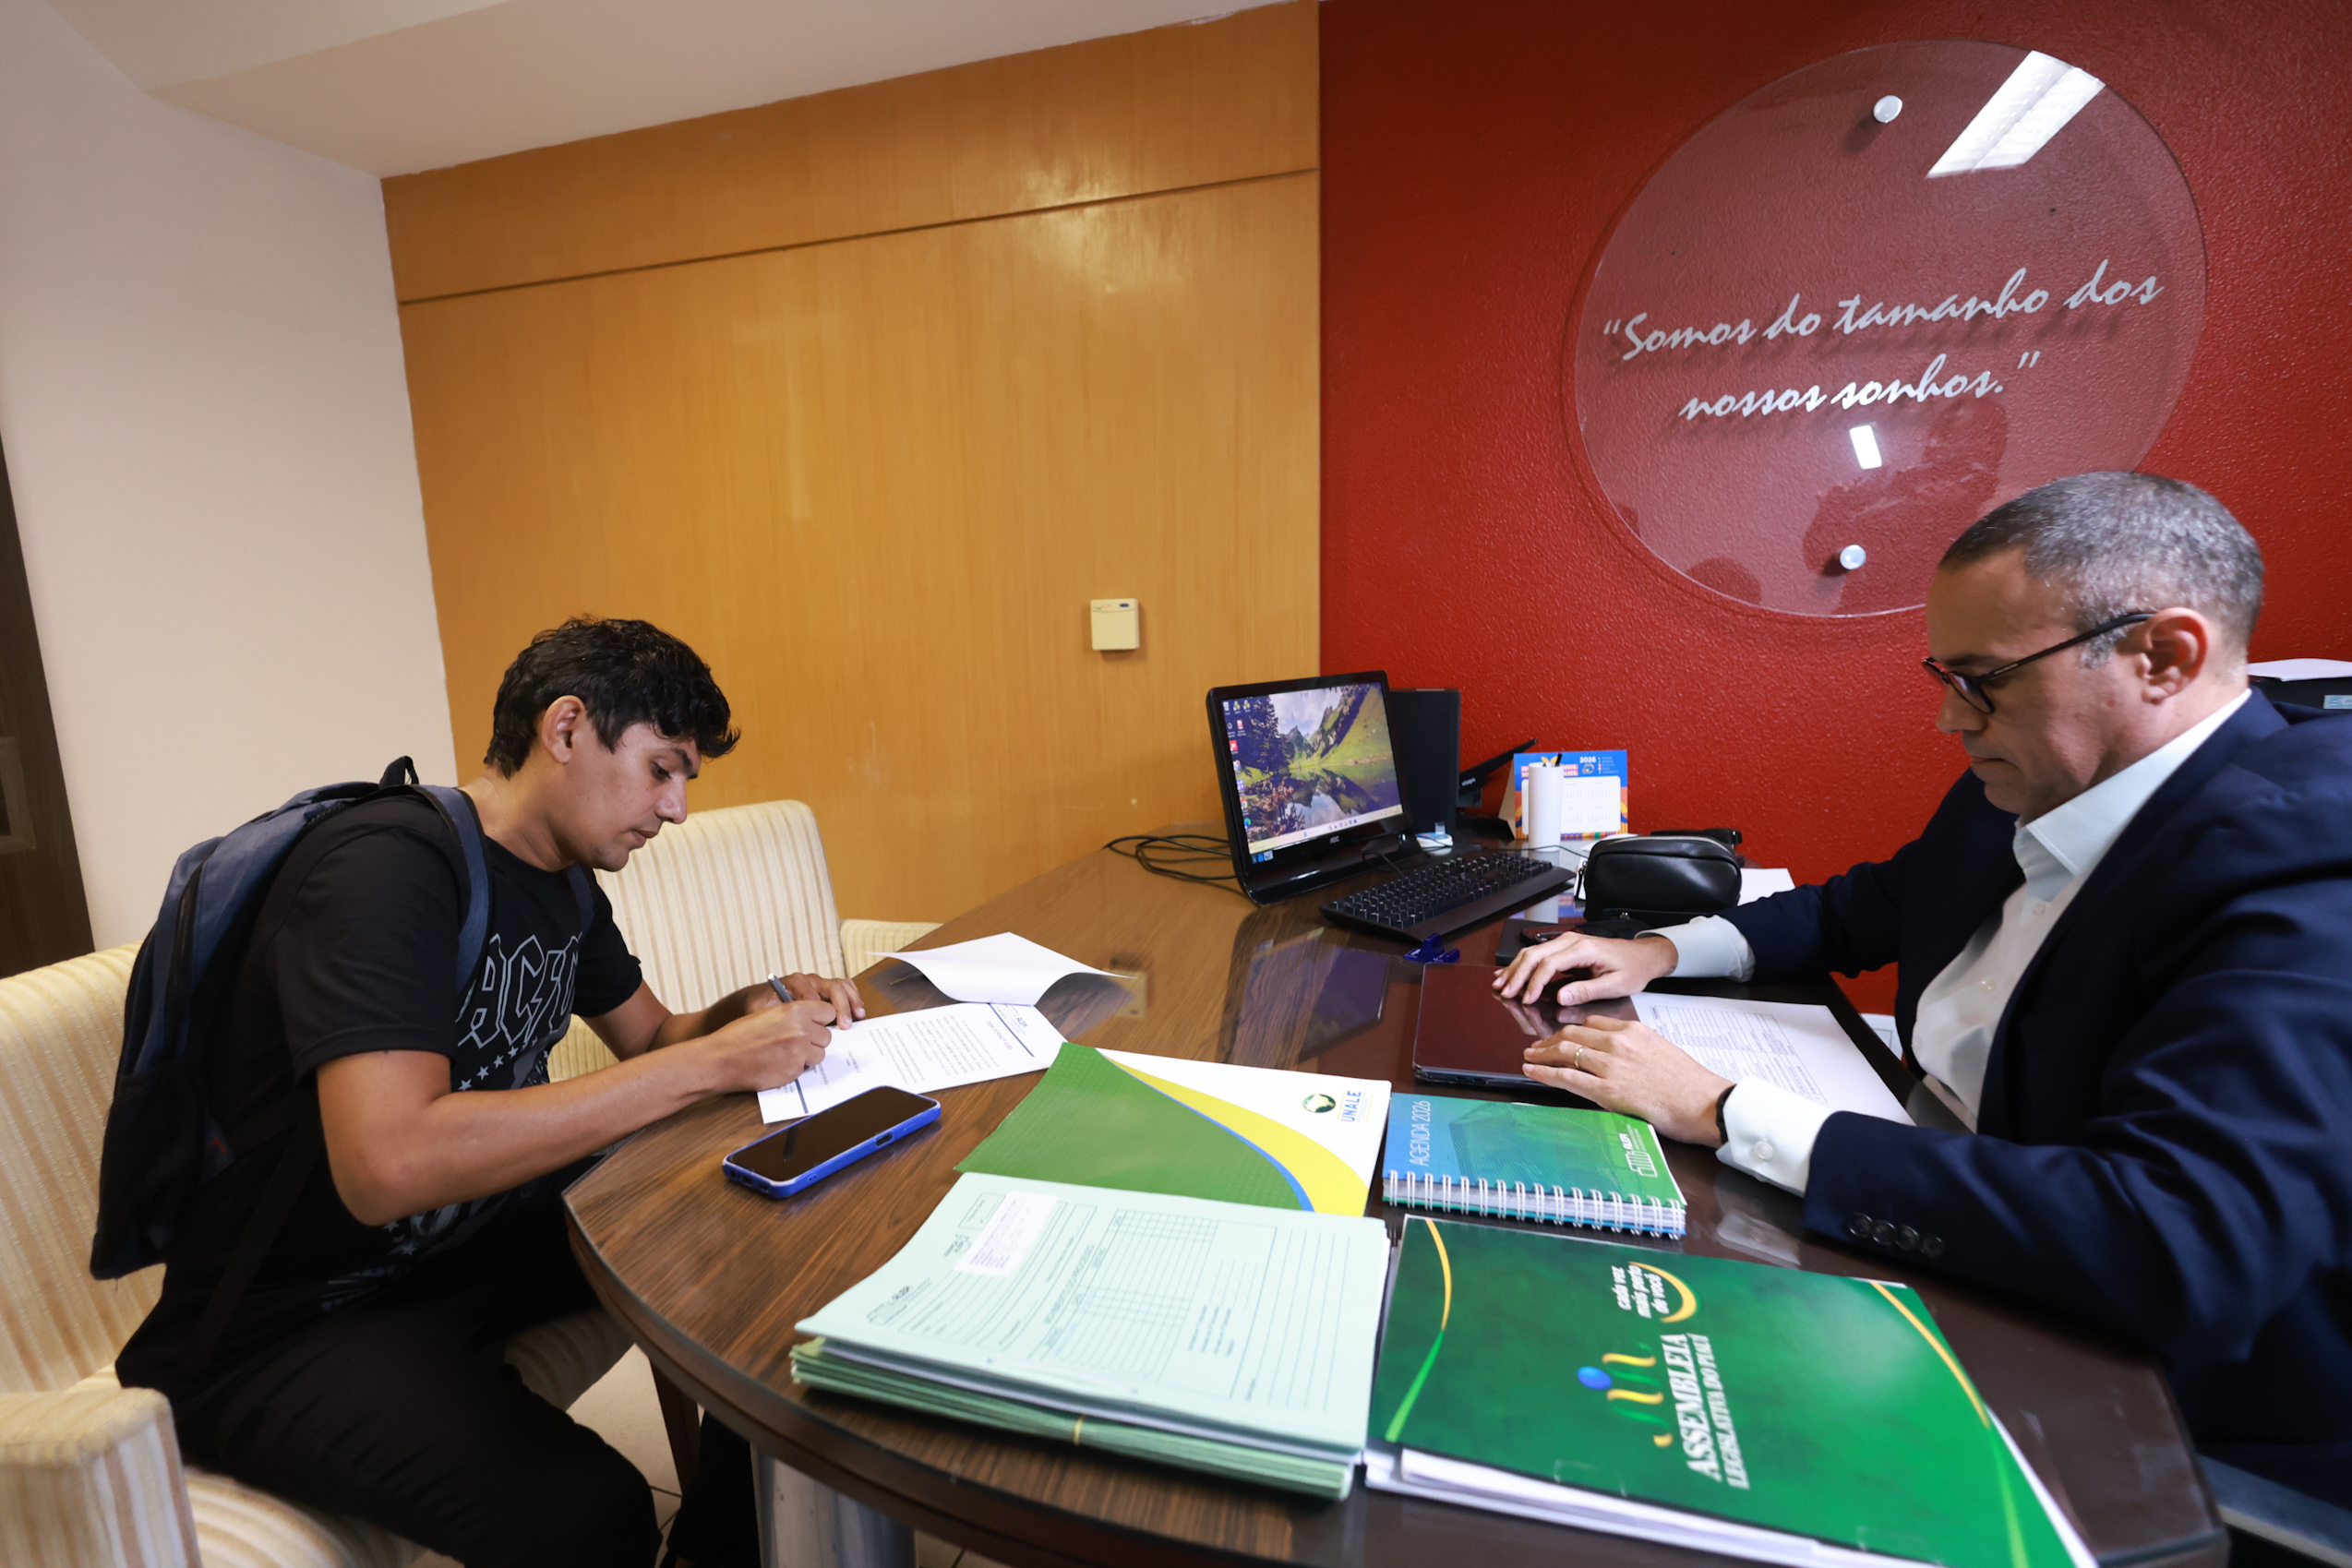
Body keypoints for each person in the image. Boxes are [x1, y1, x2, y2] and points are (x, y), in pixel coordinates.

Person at [1496, 473, 2352, 1508]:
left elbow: (2180, 1242)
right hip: (1929, 1206)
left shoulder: (2307, 861)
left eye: (1983, 679)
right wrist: (1662, 952)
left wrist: (1721, 1109)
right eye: (1946, 676)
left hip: (2140, 1395)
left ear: (2163, 656)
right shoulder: (2036, 770)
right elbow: (1869, 906)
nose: (1950, 717)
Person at [117, 616, 860, 1568]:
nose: (675, 809)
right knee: (593, 1515)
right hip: (292, 1318)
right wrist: (711, 1065)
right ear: (566, 728)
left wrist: (752, 1010)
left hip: (459, 1246)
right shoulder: (386, 870)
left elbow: (655, 1038)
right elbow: (390, 1161)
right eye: (661, 769)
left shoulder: (565, 885)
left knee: (775, 1242)